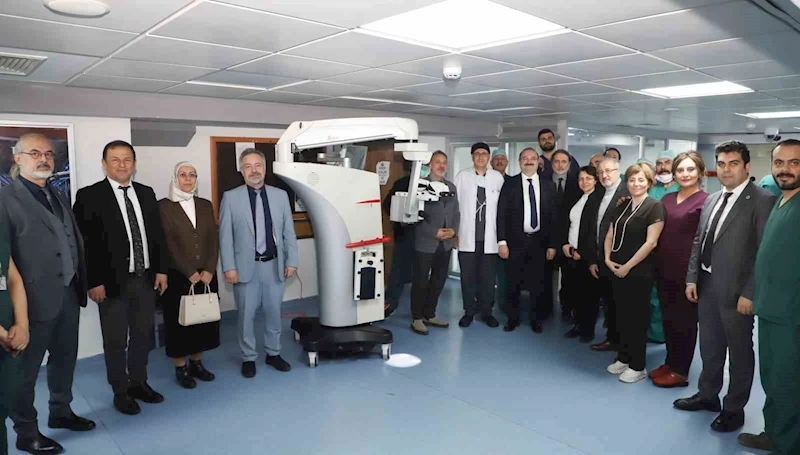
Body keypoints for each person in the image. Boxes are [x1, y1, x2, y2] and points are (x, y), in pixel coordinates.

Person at [2, 134, 94, 454]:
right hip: (29, 303)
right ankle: (26, 432)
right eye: (35, 153)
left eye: (48, 154)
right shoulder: (5, 199)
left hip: (68, 293)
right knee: (24, 373)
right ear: (18, 158)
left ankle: (61, 411)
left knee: (64, 359)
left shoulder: (56, 193)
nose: (43, 159)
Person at [674, 141, 775, 433]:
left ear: (746, 166)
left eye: (733, 163)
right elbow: (699, 240)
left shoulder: (762, 200)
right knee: (709, 346)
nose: (726, 169)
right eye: (721, 164)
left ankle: (734, 409)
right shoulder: (712, 199)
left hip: (737, 293)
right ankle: (708, 395)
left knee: (739, 352)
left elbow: (764, 252)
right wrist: (692, 277)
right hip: (706, 285)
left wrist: (750, 292)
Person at [73, 140, 170, 416]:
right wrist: (93, 281)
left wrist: (161, 269)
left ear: (134, 163)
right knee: (115, 340)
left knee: (142, 335)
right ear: (104, 164)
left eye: (127, 159)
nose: (122, 164)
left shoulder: (146, 193)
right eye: (115, 159)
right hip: (111, 283)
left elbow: (157, 236)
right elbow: (84, 243)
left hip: (145, 279)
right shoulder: (89, 196)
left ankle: (139, 382)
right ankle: (120, 390)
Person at [738, 139, 800, 455]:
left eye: (794, 162)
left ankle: (788, 444)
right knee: (773, 378)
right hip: (771, 309)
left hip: (792, 314)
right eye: (779, 163)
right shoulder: (781, 202)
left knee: (789, 381)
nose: (785, 169)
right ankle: (774, 434)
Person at [219, 148, 298, 378]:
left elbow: (288, 232)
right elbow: (225, 237)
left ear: (265, 168)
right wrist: (229, 267)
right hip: (245, 268)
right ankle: (248, 357)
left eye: (258, 165)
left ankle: (273, 353)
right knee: (246, 316)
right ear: (241, 171)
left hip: (274, 266)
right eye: (248, 166)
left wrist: (292, 260)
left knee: (274, 313)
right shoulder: (230, 198)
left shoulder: (280, 196)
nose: (254, 170)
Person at [158, 162, 220, 389]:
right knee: (179, 324)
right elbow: (168, 243)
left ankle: (197, 363)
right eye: (182, 174)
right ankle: (180, 367)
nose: (187, 178)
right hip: (178, 276)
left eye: (192, 174)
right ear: (175, 178)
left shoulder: (205, 205)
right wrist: (189, 271)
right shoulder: (164, 206)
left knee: (201, 320)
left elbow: (213, 239)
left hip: (206, 275)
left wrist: (210, 269)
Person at [650, 152, 709, 388]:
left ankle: (680, 371)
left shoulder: (706, 201)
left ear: (700, 172)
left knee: (684, 322)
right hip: (664, 269)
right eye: (680, 170)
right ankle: (670, 362)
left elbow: (704, 241)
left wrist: (694, 277)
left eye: (690, 169)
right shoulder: (667, 199)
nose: (685, 174)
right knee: (669, 319)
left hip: (688, 273)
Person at [603, 163, 665, 383]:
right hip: (616, 268)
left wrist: (628, 266)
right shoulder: (622, 205)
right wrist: (607, 258)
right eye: (631, 180)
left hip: (639, 272)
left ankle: (637, 365)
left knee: (636, 319)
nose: (635, 184)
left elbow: (651, 242)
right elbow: (610, 234)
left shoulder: (654, 207)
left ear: (649, 182)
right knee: (621, 316)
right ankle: (623, 357)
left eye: (640, 180)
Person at [498, 148, 558, 333]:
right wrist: (502, 242)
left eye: (533, 158)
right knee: (513, 283)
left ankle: (535, 319)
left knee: (538, 283)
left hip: (540, 242)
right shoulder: (510, 184)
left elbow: (554, 217)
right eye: (525, 158)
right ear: (519, 162)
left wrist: (552, 244)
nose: (529, 161)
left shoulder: (549, 185)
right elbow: (501, 214)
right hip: (515, 242)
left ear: (538, 162)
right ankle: (513, 318)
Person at [454, 142, 505, 328]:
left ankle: (486, 312)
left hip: (490, 238)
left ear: (489, 157)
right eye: (477, 153)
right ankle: (469, 311)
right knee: (467, 278)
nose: (481, 157)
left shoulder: (497, 177)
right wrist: (454, 233)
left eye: (484, 153)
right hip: (466, 236)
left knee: (488, 278)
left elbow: (503, 209)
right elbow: (454, 207)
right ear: (472, 156)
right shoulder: (462, 176)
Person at [410, 151, 459, 335]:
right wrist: (434, 232)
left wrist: (454, 230)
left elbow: (456, 212)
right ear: (430, 165)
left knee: (439, 280)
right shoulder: (420, 186)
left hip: (445, 243)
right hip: (426, 242)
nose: (441, 166)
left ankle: (429, 314)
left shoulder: (451, 187)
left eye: (444, 162)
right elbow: (413, 216)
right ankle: (417, 318)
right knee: (421, 281)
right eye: (437, 162)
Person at [588, 157, 629, 352]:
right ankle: (613, 338)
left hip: (621, 260)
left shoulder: (627, 193)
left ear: (618, 171)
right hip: (603, 258)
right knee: (609, 302)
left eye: (608, 171)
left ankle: (623, 345)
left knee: (621, 305)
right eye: (601, 172)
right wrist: (594, 259)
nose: (604, 175)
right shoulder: (600, 193)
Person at [559, 166, 602, 342]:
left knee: (589, 296)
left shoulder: (599, 200)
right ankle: (578, 325)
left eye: (588, 178)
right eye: (581, 179)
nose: (584, 182)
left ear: (596, 180)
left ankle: (587, 330)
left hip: (588, 256)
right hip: (571, 254)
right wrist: (566, 246)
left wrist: (582, 252)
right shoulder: (578, 198)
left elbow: (593, 232)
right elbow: (570, 225)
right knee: (575, 293)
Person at [0, 207, 29, 455]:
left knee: (3, 406)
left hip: (8, 336)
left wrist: (22, 325)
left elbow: (13, 279)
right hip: (4, 336)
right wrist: (4, 335)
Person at [646, 150, 680, 345]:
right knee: (652, 295)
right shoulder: (651, 189)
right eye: (659, 163)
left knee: (669, 297)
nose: (663, 166)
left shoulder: (681, 188)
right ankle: (652, 332)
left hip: (672, 250)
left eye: (667, 162)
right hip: (650, 249)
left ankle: (666, 334)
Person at [549, 150, 581, 322]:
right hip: (547, 238)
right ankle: (545, 308)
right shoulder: (543, 180)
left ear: (569, 164)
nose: (560, 165)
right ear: (552, 163)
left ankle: (567, 308)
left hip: (569, 239)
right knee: (545, 276)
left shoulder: (578, 183)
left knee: (569, 278)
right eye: (556, 161)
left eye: (564, 161)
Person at [382, 161, 415, 319]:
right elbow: (387, 204)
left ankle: (421, 312)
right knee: (398, 270)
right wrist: (400, 218)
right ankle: (390, 304)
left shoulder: (433, 186)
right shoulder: (402, 183)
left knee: (421, 272)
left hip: (427, 236)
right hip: (405, 234)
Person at [491, 149, 511, 315]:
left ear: (507, 162)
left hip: (507, 237)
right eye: (496, 158)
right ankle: (485, 305)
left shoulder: (513, 182)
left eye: (502, 158)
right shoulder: (484, 180)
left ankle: (504, 305)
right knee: (487, 274)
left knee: (505, 275)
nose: (499, 161)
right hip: (487, 234)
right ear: (491, 162)